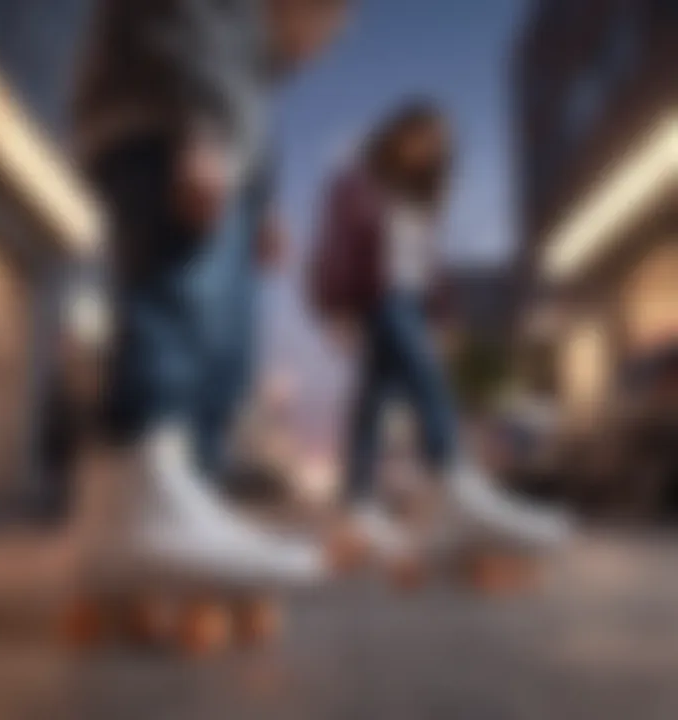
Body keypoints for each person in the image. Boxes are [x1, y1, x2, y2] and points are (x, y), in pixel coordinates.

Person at [71, 0, 352, 598]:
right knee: (177, 299)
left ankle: (183, 503)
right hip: (165, 116)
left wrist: (265, 202)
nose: (319, 49)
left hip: (216, 138)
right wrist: (198, 128)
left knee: (225, 347)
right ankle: (137, 492)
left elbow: (253, 113)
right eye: (323, 26)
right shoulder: (233, 29)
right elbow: (184, 20)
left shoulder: (254, 58)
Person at [311, 100, 571, 567]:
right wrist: (335, 307)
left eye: (441, 145)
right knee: (427, 381)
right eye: (425, 137)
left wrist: (445, 320)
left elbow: (432, 271)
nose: (432, 150)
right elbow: (339, 246)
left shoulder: (421, 198)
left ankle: (356, 508)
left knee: (371, 402)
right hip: (380, 298)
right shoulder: (357, 182)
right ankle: (452, 481)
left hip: (411, 300)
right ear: (399, 134)